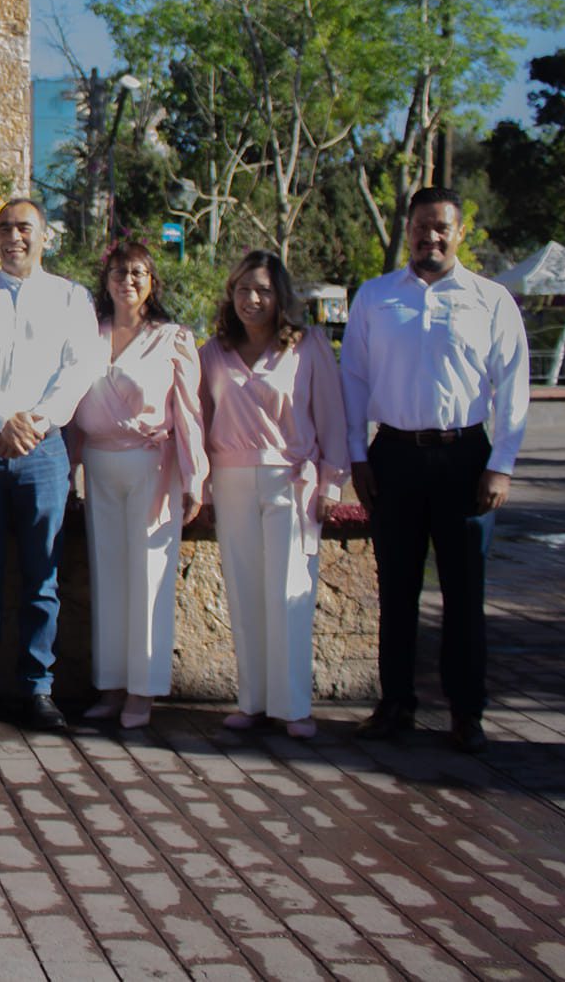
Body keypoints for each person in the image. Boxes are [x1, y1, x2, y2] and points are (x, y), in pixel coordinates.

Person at [342, 186, 529, 754]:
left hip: (465, 458)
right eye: (422, 227)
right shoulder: (375, 298)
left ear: (459, 232)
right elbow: (353, 379)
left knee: (463, 591)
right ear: (408, 230)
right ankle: (395, 702)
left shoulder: (491, 299)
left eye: (442, 227)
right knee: (396, 588)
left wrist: (501, 465)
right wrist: (356, 454)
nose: (431, 237)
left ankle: (466, 711)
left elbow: (513, 386)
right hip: (394, 457)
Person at [0, 198, 104, 731]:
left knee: (43, 574)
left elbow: (78, 369)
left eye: (25, 228)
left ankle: (38, 688)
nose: (15, 236)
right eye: (5, 228)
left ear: (45, 236)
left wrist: (33, 422)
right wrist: (2, 419)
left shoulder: (72, 299)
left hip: (45, 449)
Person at [200, 250, 349, 740]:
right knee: (244, 593)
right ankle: (253, 703)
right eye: (243, 289)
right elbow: (197, 419)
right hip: (231, 479)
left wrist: (331, 482)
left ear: (279, 295)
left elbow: (332, 417)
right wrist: (198, 483)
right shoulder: (214, 351)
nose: (252, 298)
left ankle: (293, 708)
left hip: (290, 480)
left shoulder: (307, 348)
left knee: (289, 594)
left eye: (262, 289)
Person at [69, 240, 206, 731]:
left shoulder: (172, 338)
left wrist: (195, 477)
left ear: (152, 283)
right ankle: (110, 685)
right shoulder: (89, 335)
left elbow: (189, 412)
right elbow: (71, 409)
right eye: (118, 272)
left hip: (153, 466)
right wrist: (68, 467)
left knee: (149, 576)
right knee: (108, 575)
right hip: (100, 466)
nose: (127, 280)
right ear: (104, 282)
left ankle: (143, 690)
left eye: (138, 273)